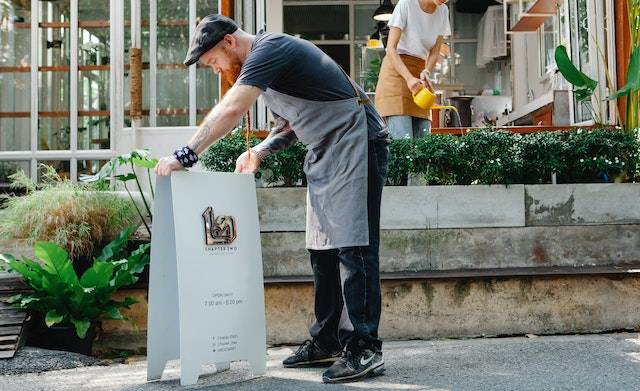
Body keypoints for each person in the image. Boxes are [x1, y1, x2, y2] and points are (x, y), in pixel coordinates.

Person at [154, 14, 390, 383]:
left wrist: (186, 154)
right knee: (322, 250)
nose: (216, 69)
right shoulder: (264, 67)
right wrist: (260, 152)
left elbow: (232, 109)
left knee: (353, 245)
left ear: (229, 42)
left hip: (356, 140)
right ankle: (327, 340)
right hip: (325, 150)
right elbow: (291, 125)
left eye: (213, 60)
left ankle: (364, 347)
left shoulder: (271, 48)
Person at [375, 0, 451, 139]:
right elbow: (390, 49)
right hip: (396, 74)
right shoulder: (406, 4)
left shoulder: (443, 11)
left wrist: (427, 70)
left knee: (423, 144)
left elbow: (435, 51)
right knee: (404, 142)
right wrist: (409, 78)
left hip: (419, 75)